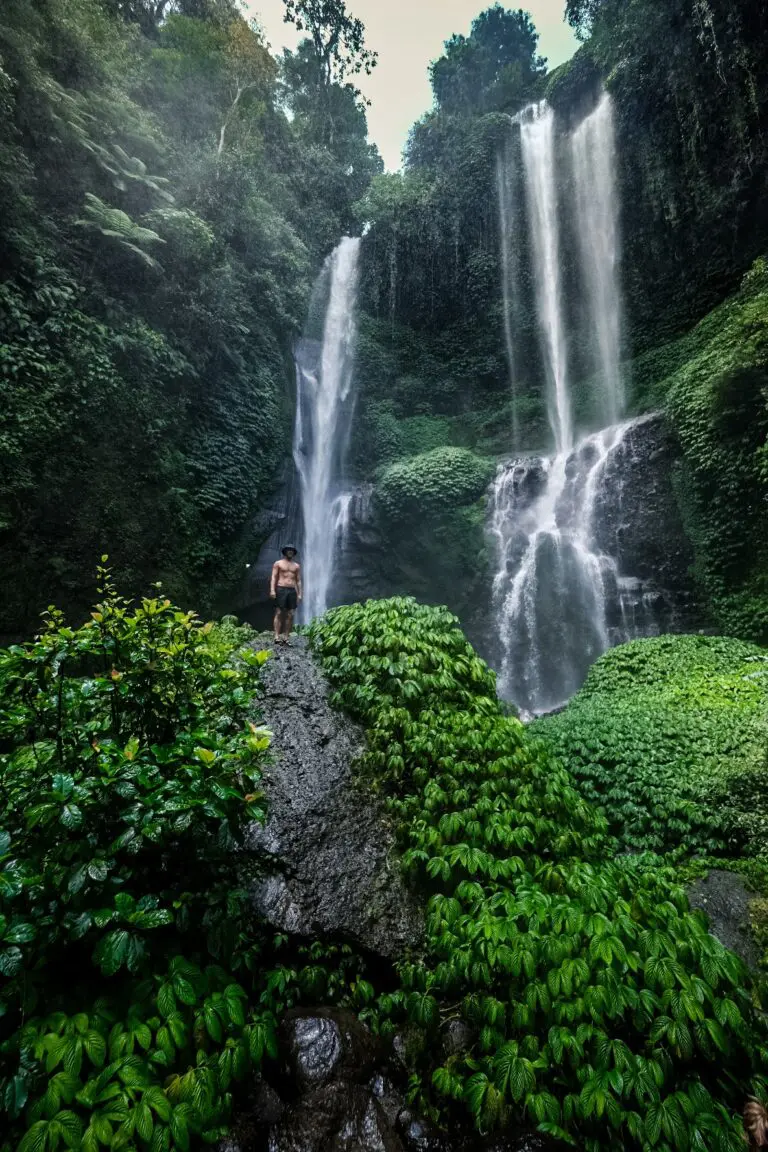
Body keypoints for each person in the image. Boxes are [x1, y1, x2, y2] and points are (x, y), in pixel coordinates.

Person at [270, 545, 302, 645]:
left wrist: (300, 593)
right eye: (288, 550)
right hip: (281, 588)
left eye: (292, 550)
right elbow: (274, 577)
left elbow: (298, 580)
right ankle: (276, 636)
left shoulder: (296, 566)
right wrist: (272, 590)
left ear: (293, 552)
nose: (290, 552)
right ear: (285, 552)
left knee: (290, 614)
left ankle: (286, 637)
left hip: (292, 590)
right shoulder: (278, 563)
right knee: (279, 612)